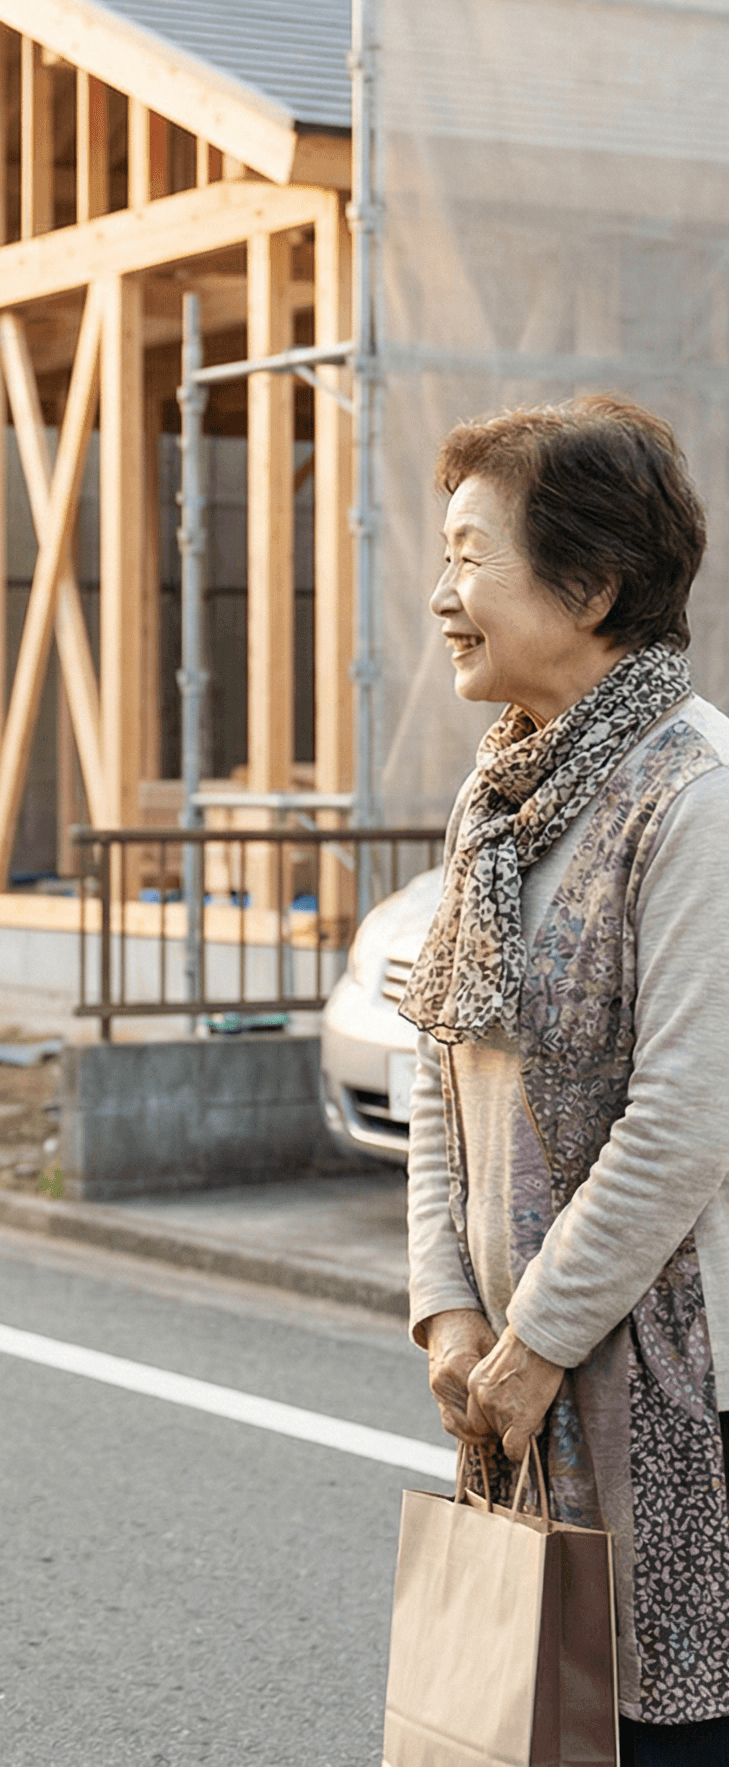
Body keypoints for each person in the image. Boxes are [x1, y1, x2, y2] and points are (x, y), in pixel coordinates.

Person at [402, 396, 729, 1764]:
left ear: (590, 586)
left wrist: (532, 1344)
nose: (442, 596)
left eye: (474, 559)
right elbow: (441, 1070)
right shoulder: (500, 796)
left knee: (652, 1731)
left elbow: (685, 1118)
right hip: (517, 1373)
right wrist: (449, 1316)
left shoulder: (693, 793)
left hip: (670, 1381)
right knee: (539, 1722)